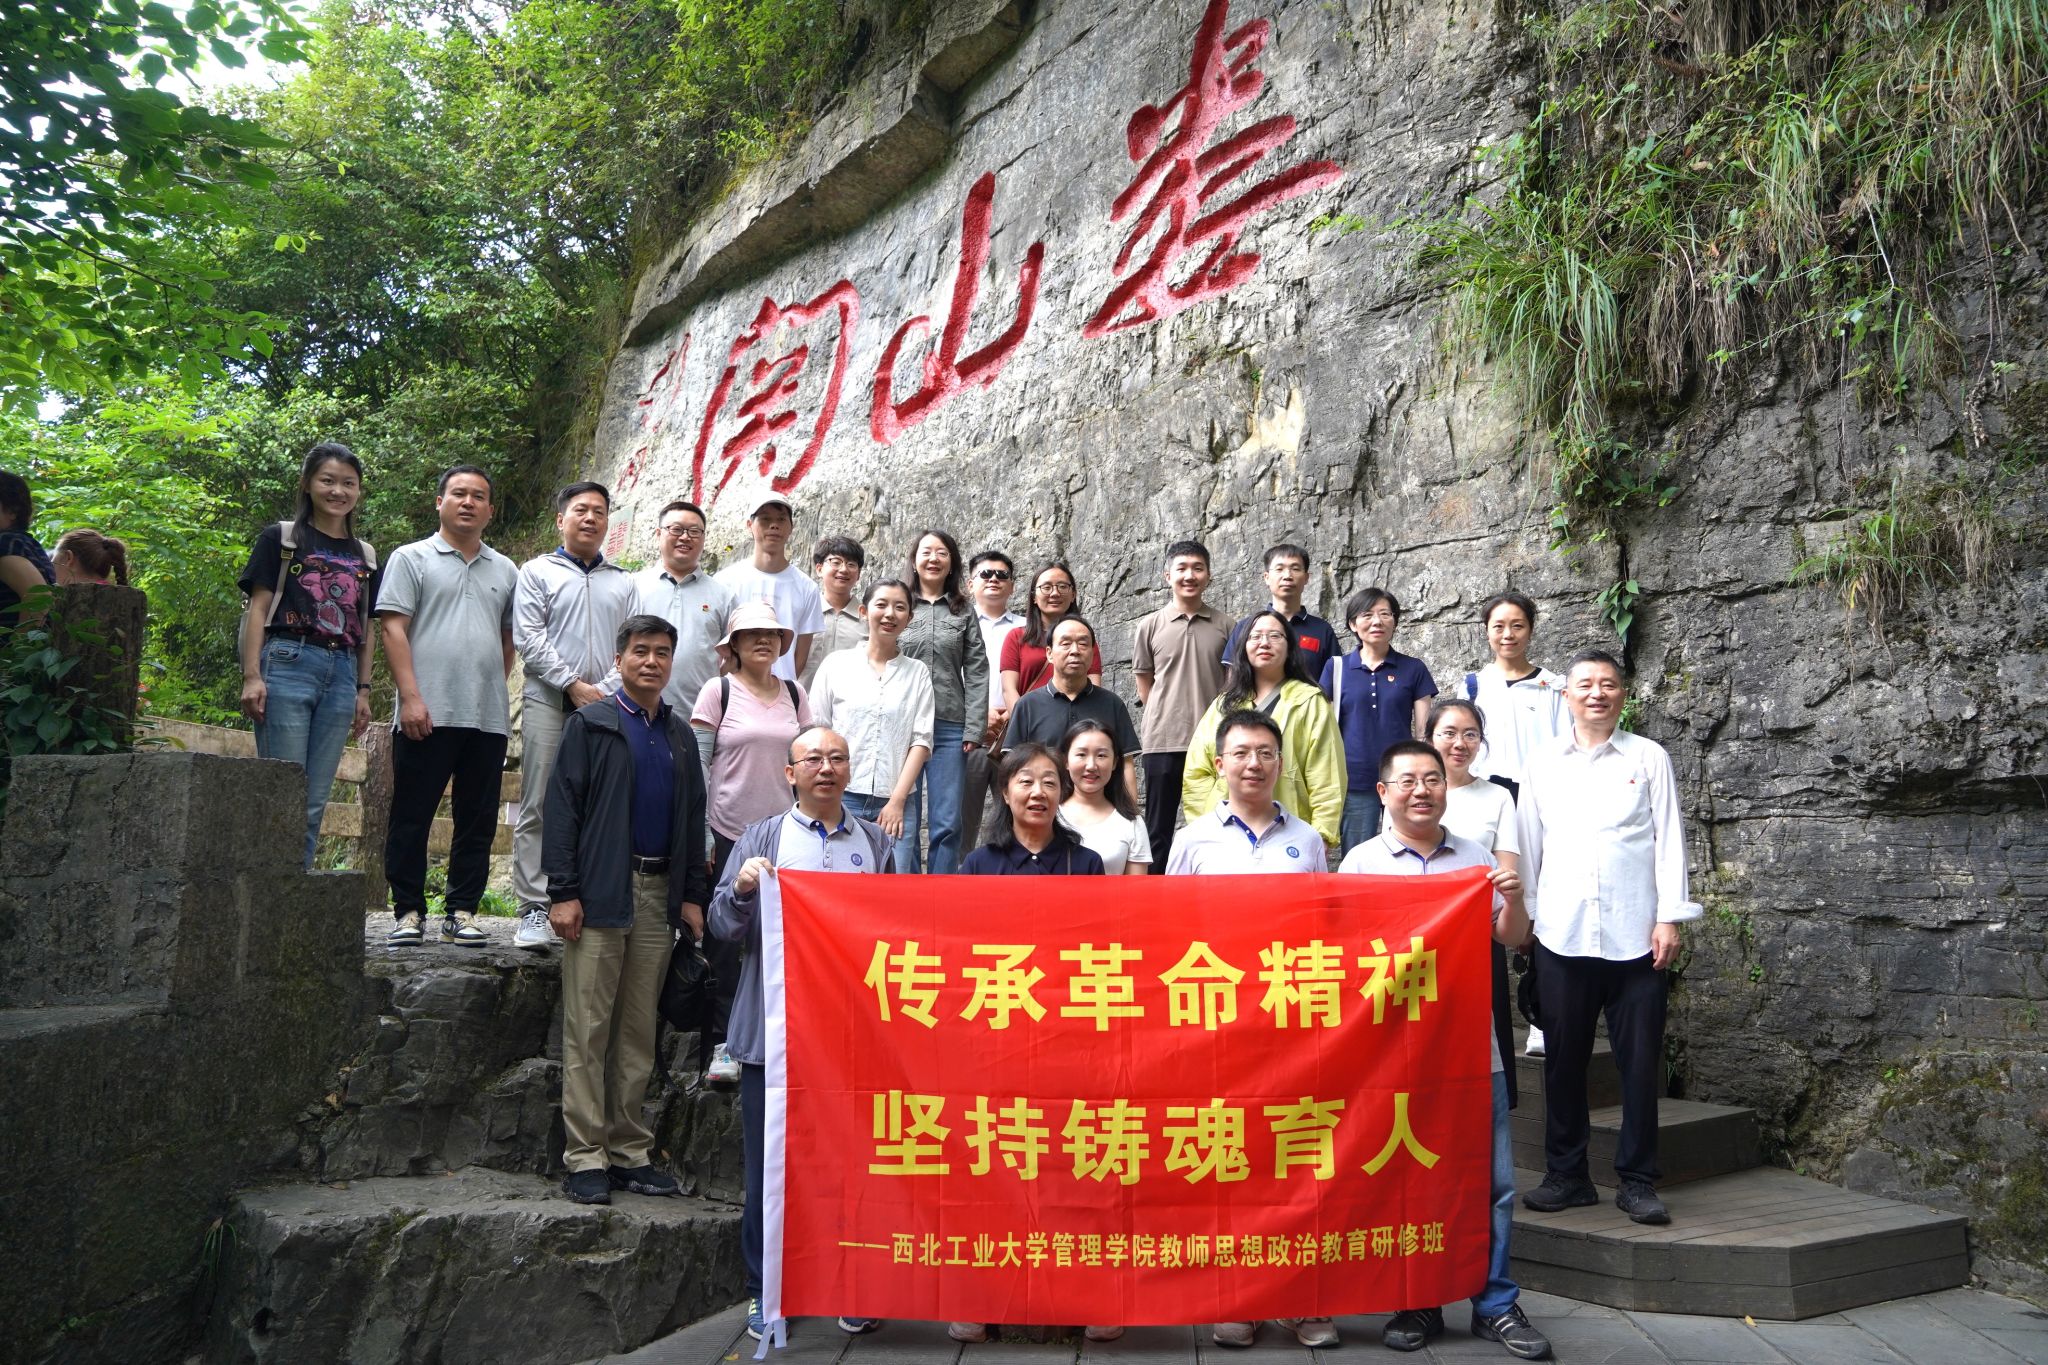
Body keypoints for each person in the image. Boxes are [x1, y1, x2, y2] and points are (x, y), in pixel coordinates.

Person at [1338, 741, 1550, 1362]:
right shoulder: (1360, 864)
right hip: (1394, 1055)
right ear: (1383, 792)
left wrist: (1513, 897)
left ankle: (1496, 1302)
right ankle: (1419, 1298)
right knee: (1407, 1178)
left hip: (1470, 1048)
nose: (1422, 790)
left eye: (1432, 779)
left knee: (1494, 1181)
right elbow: (1343, 958)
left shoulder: (1475, 859)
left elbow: (1513, 937)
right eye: (1407, 781)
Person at [708, 726, 895, 1340]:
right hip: (773, 1036)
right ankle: (766, 1290)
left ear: (850, 770)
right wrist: (741, 890)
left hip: (851, 1038)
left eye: (837, 758)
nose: (826, 767)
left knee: (854, 1166)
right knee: (769, 1169)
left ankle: (851, 1283)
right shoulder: (762, 839)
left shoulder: (875, 843)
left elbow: (896, 936)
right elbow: (721, 927)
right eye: (813, 758)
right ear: (790, 773)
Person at [1519, 649, 1699, 1227]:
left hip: (1637, 935)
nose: (1597, 693)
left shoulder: (1648, 757)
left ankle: (1638, 1180)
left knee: (1639, 1064)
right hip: (1561, 933)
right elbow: (1529, 846)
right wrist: (1528, 923)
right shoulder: (1543, 762)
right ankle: (1566, 1175)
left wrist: (1669, 917)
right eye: (1585, 685)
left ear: (1623, 694)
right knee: (1563, 1062)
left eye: (1608, 684)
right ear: (1566, 694)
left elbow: (1668, 839)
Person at [1166, 710, 1329, 1349]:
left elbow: (1323, 930)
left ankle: (1300, 1298)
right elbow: (1169, 932)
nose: (1254, 764)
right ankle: (1237, 1296)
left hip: (1287, 1023)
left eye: (1265, 752)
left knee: (1292, 1158)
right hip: (1218, 1025)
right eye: (1241, 753)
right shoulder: (1193, 840)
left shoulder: (1308, 840)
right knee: (1230, 1157)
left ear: (1280, 763)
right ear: (1220, 764)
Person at [542, 614, 710, 1206]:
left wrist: (692, 895)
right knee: (588, 1029)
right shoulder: (591, 724)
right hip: (600, 891)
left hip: (660, 895)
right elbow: (562, 809)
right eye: (640, 651)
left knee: (638, 1031)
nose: (651, 661)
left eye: (662, 652)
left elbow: (693, 818)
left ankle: (628, 1150)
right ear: (619, 660)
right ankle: (585, 1155)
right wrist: (563, 892)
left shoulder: (680, 734)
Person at [376, 465, 518, 947]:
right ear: (440, 502)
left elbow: (507, 639)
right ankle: (408, 911)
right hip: (426, 712)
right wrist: (411, 698)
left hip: (487, 717)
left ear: (490, 510)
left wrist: (487, 688)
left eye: (479, 496)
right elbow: (392, 628)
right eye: (459, 493)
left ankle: (461, 909)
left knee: (477, 819)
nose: (468, 502)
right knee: (412, 814)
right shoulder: (411, 558)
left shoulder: (506, 569)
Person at [236, 443, 381, 867]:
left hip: (342, 672)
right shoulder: (281, 538)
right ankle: (267, 887)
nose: (338, 491)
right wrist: (252, 676)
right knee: (283, 789)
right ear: (307, 484)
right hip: (287, 661)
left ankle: (294, 888)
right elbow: (258, 608)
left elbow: (366, 626)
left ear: (358, 491)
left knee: (315, 799)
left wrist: (363, 690)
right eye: (327, 480)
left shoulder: (365, 555)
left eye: (348, 483)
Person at [512, 483, 637, 951]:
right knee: (539, 801)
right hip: (549, 699)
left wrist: (603, 689)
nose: (590, 518)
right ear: (560, 519)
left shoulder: (623, 581)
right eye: (581, 510)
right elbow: (529, 635)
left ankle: (588, 898)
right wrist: (571, 684)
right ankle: (534, 905)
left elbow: (632, 642)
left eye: (599, 512)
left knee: (600, 801)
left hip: (606, 704)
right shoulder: (537, 571)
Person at [690, 601, 810, 1088]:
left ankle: (780, 1038)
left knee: (778, 940)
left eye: (773, 634)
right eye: (752, 633)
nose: (764, 640)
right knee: (723, 941)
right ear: (734, 644)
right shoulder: (717, 691)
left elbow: (807, 761)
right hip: (727, 830)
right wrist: (700, 831)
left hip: (783, 835)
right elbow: (698, 765)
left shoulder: (795, 694)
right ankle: (724, 1042)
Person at [1453, 591, 1569, 1058]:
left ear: (1531, 630)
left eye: (1517, 625)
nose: (1507, 634)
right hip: (1489, 800)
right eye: (1498, 626)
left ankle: (1539, 1017)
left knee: (1539, 901)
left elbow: (1565, 747)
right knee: (1492, 901)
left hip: (1540, 799)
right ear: (1486, 631)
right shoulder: (1473, 685)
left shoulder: (1553, 686)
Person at [1180, 609, 1344, 851]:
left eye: (1275, 636)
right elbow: (1197, 771)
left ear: (1290, 647)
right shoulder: (1224, 704)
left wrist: (1321, 836)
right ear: (1243, 647)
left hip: (1291, 835)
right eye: (1255, 636)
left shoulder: (1310, 701)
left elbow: (1327, 775)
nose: (1264, 643)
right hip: (1225, 836)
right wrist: (1206, 825)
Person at [1428, 699, 1523, 1109]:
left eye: (1470, 734)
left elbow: (1506, 871)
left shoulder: (1497, 796)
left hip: (1477, 935)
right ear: (1429, 738)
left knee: (1486, 1038)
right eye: (1448, 733)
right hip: (1421, 938)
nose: (1459, 743)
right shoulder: (1410, 791)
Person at [807, 579, 935, 839]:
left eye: (900, 607)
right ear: (863, 612)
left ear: (909, 618)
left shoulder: (917, 672)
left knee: (894, 866)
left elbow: (921, 741)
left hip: (896, 802)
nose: (890, 614)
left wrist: (897, 801)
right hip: (840, 795)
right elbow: (817, 731)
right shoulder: (836, 665)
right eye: (881, 605)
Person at [1131, 539, 1231, 872]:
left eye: (1198, 568)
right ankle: (1153, 894)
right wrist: (1162, 714)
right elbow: (1144, 681)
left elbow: (1231, 683)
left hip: (1212, 743)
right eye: (1182, 568)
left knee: (1215, 824)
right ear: (1167, 575)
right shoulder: (1149, 625)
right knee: (1158, 827)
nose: (1190, 575)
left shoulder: (1226, 625)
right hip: (1163, 741)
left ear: (1209, 575)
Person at [896, 530, 989, 873]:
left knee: (947, 820)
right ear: (914, 561)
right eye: (926, 552)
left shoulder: (963, 611)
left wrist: (974, 728)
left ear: (952, 564)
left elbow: (977, 670)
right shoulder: (900, 604)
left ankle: (940, 890)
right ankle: (906, 889)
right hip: (902, 724)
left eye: (942, 553)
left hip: (950, 726)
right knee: (904, 816)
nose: (933, 558)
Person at [1320, 587, 1437, 854]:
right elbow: (1325, 729)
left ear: (1394, 621)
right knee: (1357, 854)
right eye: (1367, 615)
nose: (1377, 621)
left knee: (1409, 849)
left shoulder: (1414, 668)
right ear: (1353, 624)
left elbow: (1424, 733)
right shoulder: (1336, 668)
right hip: (1354, 778)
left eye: (1385, 614)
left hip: (1403, 779)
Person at [1005, 614, 1140, 805]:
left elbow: (1126, 766)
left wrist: (1132, 816)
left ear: (1092, 654)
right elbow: (1013, 768)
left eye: (1083, 644)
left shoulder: (1112, 704)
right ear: (1049, 653)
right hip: (1044, 812)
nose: (1075, 651)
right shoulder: (1027, 705)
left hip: (1100, 811)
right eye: (1066, 643)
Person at [622, 499, 736, 713]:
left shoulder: (723, 595)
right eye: (676, 529)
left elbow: (733, 657)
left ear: (703, 538)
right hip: (634, 711)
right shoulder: (632, 586)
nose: (685, 537)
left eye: (694, 531)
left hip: (700, 715)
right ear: (658, 534)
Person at [713, 494, 824, 682]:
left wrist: (781, 686)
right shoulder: (725, 581)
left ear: (791, 527)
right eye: (765, 519)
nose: (774, 525)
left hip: (782, 689)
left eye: (781, 519)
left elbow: (801, 654)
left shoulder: (807, 588)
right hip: (733, 690)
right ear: (750, 525)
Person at [961, 549, 1022, 850]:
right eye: (985, 574)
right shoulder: (956, 625)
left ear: (1012, 585)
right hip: (967, 736)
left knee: (1014, 819)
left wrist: (1014, 712)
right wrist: (976, 714)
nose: (994, 579)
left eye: (1002, 575)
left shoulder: (1027, 627)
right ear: (970, 584)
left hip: (1014, 736)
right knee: (959, 822)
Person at [1217, 542, 1338, 675]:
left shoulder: (1322, 630)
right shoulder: (1246, 627)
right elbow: (1234, 678)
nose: (1287, 576)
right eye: (1279, 569)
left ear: (1306, 578)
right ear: (1267, 577)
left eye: (1295, 569)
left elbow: (1334, 680)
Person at [999, 560, 1101, 705]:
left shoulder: (1084, 639)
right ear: (1034, 597)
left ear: (1073, 594)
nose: (1055, 593)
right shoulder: (1016, 637)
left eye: (1062, 587)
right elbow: (1009, 690)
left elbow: (1094, 688)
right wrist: (1022, 717)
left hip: (1076, 716)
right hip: (1030, 716)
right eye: (1046, 587)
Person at [1059, 719, 1151, 875]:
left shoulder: (1131, 822)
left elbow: (1137, 888)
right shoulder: (1050, 816)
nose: (1091, 766)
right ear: (1065, 761)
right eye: (1081, 754)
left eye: (1101, 755)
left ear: (1114, 762)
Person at [798, 535, 868, 689]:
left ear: (858, 574)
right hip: (803, 701)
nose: (844, 569)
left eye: (851, 564)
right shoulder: (802, 614)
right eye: (836, 562)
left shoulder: (868, 620)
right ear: (819, 569)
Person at [0, 471, 57, 627]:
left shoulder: (5, 544)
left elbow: (39, 596)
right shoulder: (25, 543)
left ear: (12, 511)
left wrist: (21, 640)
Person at [52, 529, 130, 586]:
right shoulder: (112, 595)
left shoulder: (76, 600)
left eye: (53, 563)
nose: (50, 569)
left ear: (68, 558)